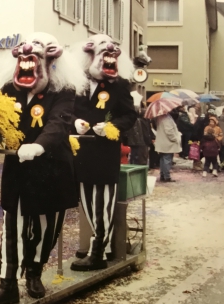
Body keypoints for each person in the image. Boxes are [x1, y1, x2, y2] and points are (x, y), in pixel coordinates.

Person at [0, 32, 85, 304]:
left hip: (51, 170)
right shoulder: (9, 89)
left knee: (46, 229)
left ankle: (34, 273)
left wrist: (38, 146)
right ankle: (7, 284)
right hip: (18, 172)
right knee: (12, 228)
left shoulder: (64, 90)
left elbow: (59, 123)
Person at [70, 34, 137, 271]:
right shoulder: (77, 82)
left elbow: (130, 115)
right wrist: (75, 122)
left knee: (104, 202)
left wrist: (112, 127)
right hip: (82, 153)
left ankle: (98, 252)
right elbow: (65, 112)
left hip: (106, 153)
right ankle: (102, 247)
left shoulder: (118, 85)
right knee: (88, 202)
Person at [154, 113, 182, 182]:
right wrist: (176, 138)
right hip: (167, 143)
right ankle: (167, 176)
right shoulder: (166, 118)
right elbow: (169, 131)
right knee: (167, 159)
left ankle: (163, 175)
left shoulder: (160, 117)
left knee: (163, 159)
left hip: (163, 142)